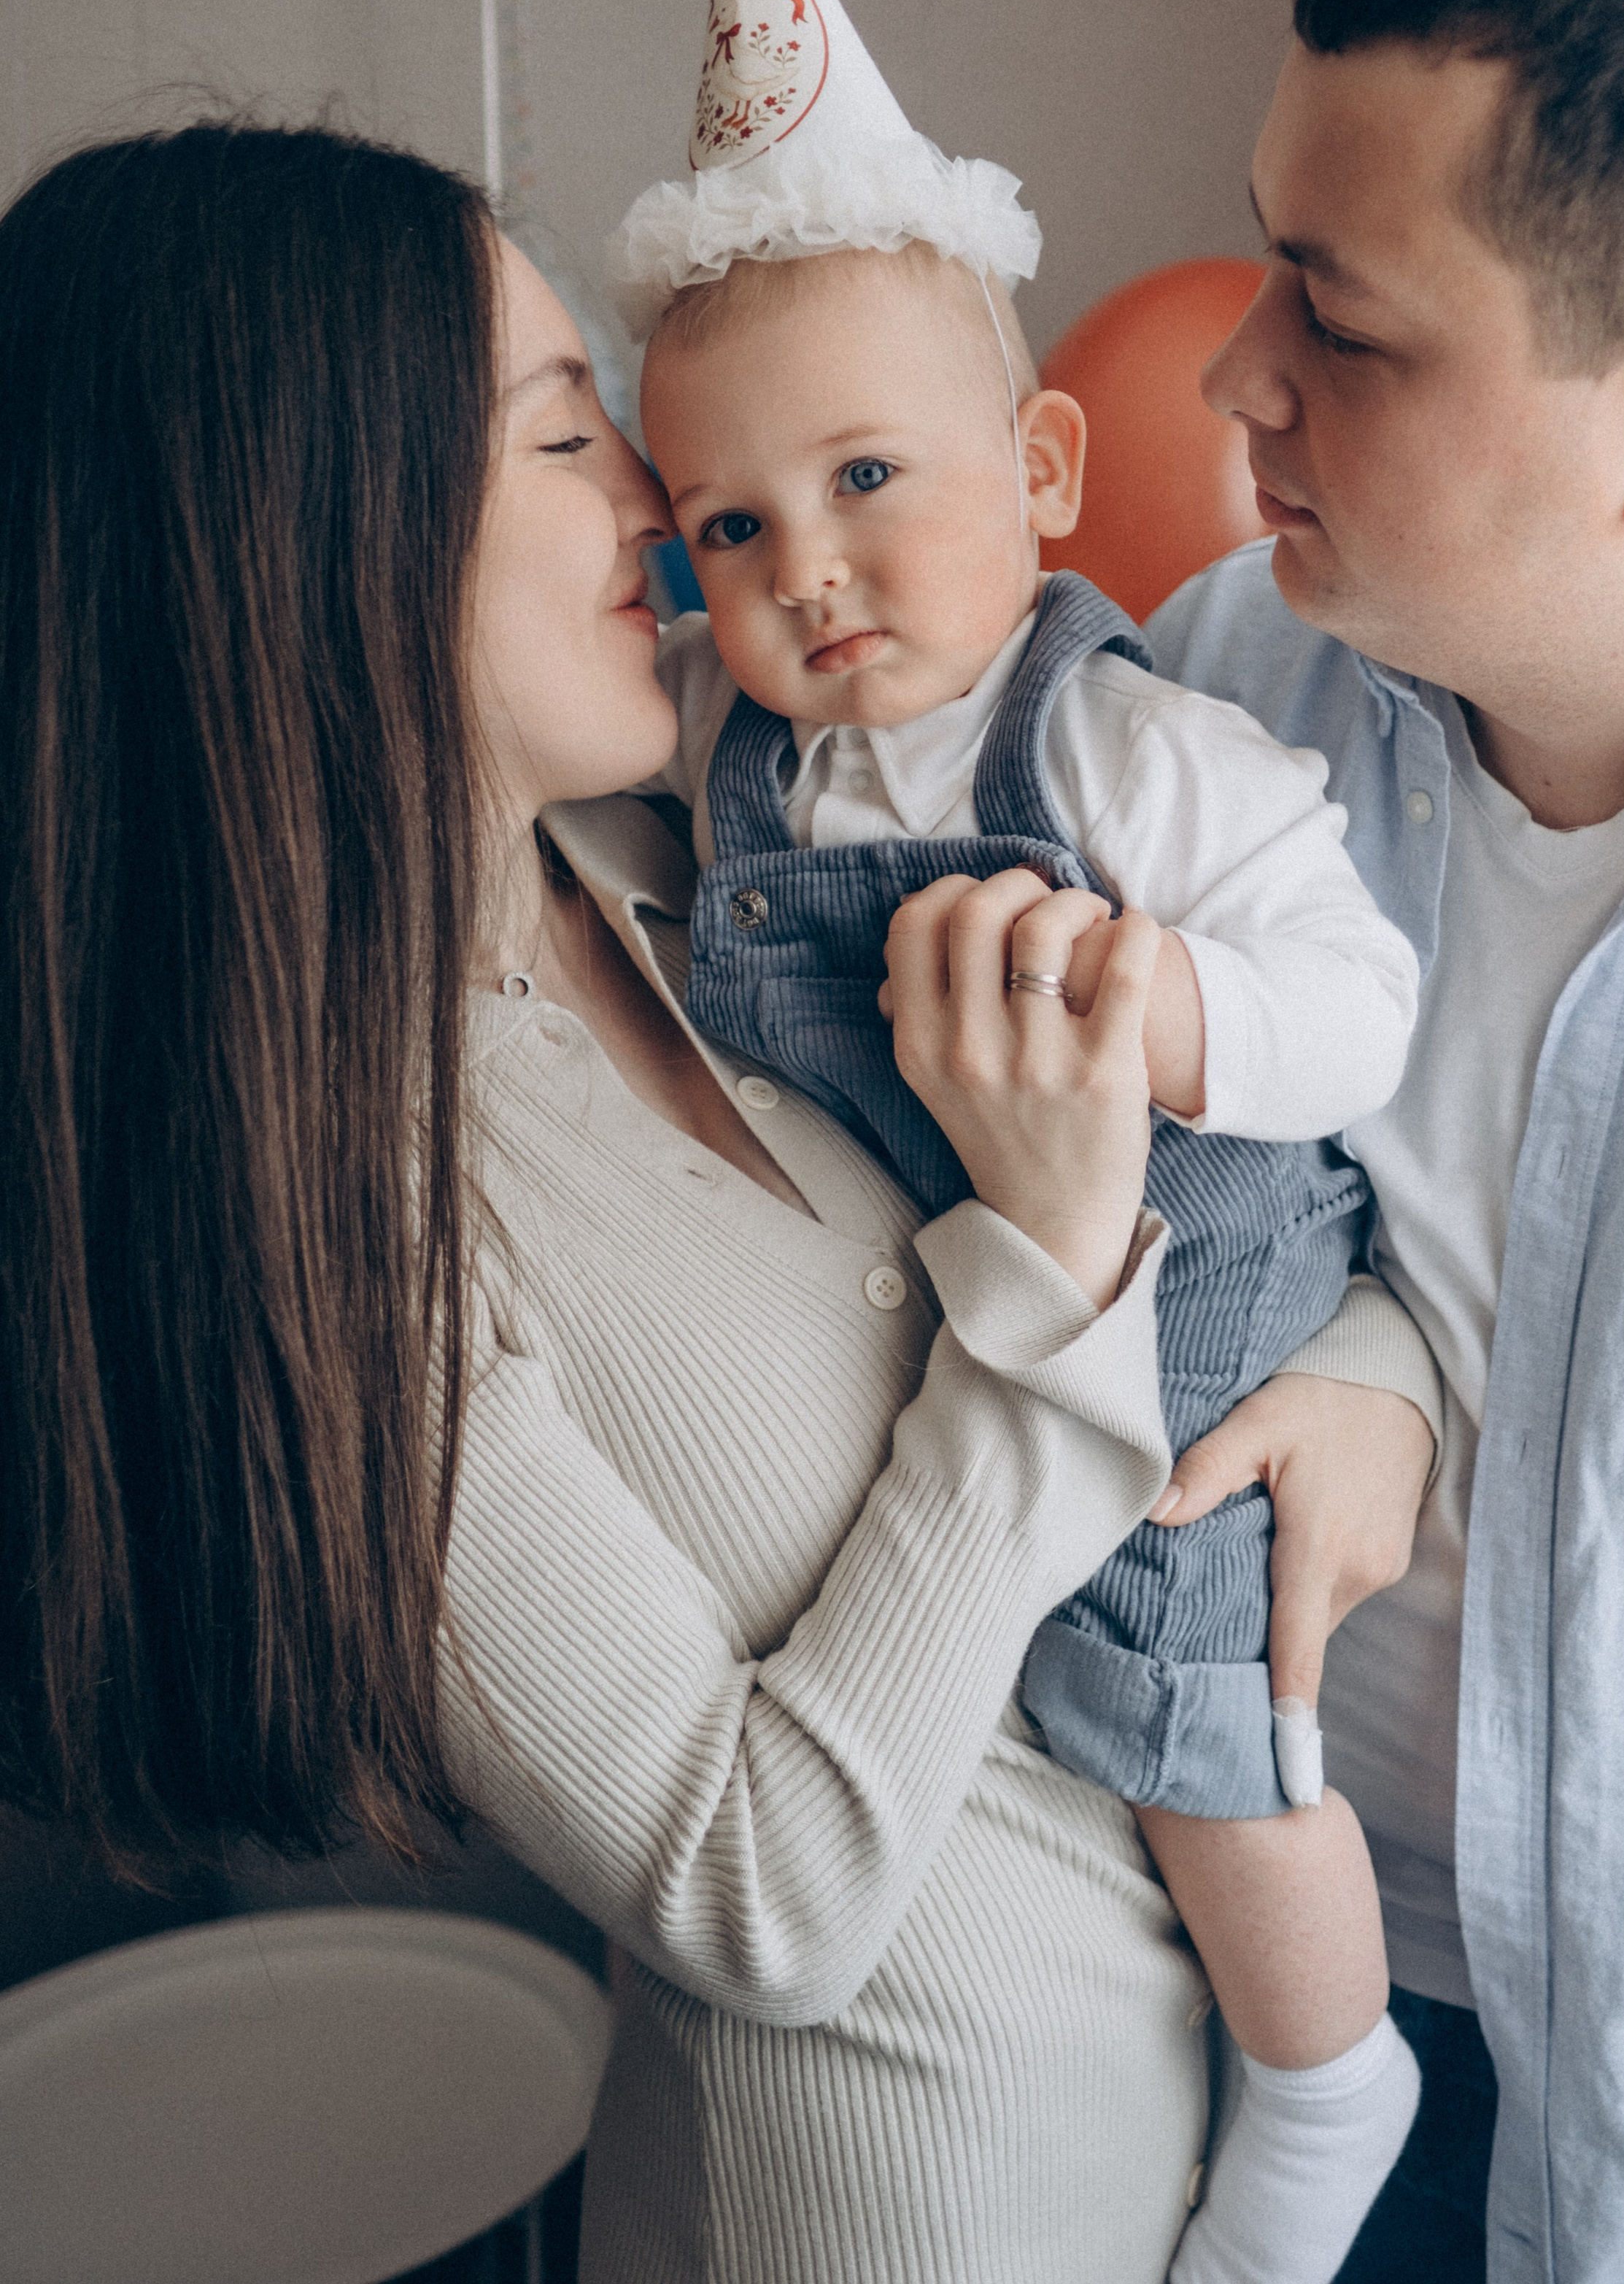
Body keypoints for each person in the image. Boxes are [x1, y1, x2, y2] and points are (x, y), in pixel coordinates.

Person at [0, 117, 1437, 2284]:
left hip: (1182, 2140)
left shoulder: (697, 862)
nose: (658, 506)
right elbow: (752, 1889)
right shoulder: (330, 1215)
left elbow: (1246, 1175)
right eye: (565, 432)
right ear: (313, 534)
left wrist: (1369, 1375)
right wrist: (1052, 1270)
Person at [618, 0, 1437, 2284]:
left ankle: (1329, 2080)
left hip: (1189, 1289)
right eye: (730, 526)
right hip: (992, 1290)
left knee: (1190, 1707)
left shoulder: (1128, 741)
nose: (809, 570)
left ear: (1045, 467)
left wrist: (1177, 1006)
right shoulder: (732, 753)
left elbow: (1361, 1002)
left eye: (870, 476)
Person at [1148, 0, 1624, 2283]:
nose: (1233, 373)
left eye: (1341, 323)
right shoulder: (1209, 690)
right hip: (1219, 2015)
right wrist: (1369, 1339)